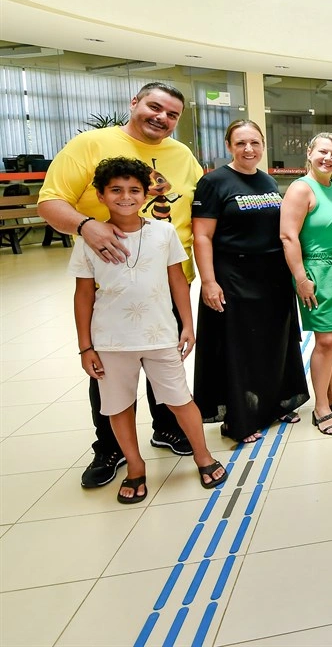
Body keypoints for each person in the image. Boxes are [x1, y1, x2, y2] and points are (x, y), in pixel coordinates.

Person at [38, 82, 201, 488]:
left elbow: (201, 204)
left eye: (172, 114)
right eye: (154, 107)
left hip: (169, 278)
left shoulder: (182, 155)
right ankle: (110, 448)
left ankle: (167, 429)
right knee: (111, 372)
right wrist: (86, 225)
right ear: (134, 103)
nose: (162, 117)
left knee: (166, 364)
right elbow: (50, 201)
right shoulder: (90, 144)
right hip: (110, 285)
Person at [71, 158, 226, 503]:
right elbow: (83, 294)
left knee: (180, 399)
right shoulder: (89, 239)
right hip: (111, 339)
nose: (126, 197)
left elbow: (177, 280)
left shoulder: (163, 232)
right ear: (101, 195)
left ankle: (203, 456)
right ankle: (135, 466)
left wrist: (187, 325)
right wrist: (86, 347)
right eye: (116, 190)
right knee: (118, 406)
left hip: (160, 333)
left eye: (134, 190)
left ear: (145, 195)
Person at [192, 120, 309, 441]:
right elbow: (202, 236)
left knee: (274, 342)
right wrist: (208, 281)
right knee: (239, 348)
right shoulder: (213, 182)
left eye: (255, 143)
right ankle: (239, 419)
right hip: (234, 276)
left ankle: (273, 404)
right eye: (241, 143)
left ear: (263, 146)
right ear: (228, 146)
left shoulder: (267, 180)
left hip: (272, 276)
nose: (248, 149)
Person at [280, 132, 332, 435]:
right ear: (310, 153)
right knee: (326, 339)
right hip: (318, 268)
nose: (328, 158)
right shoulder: (301, 189)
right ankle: (321, 407)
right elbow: (288, 236)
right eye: (323, 152)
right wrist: (301, 279)